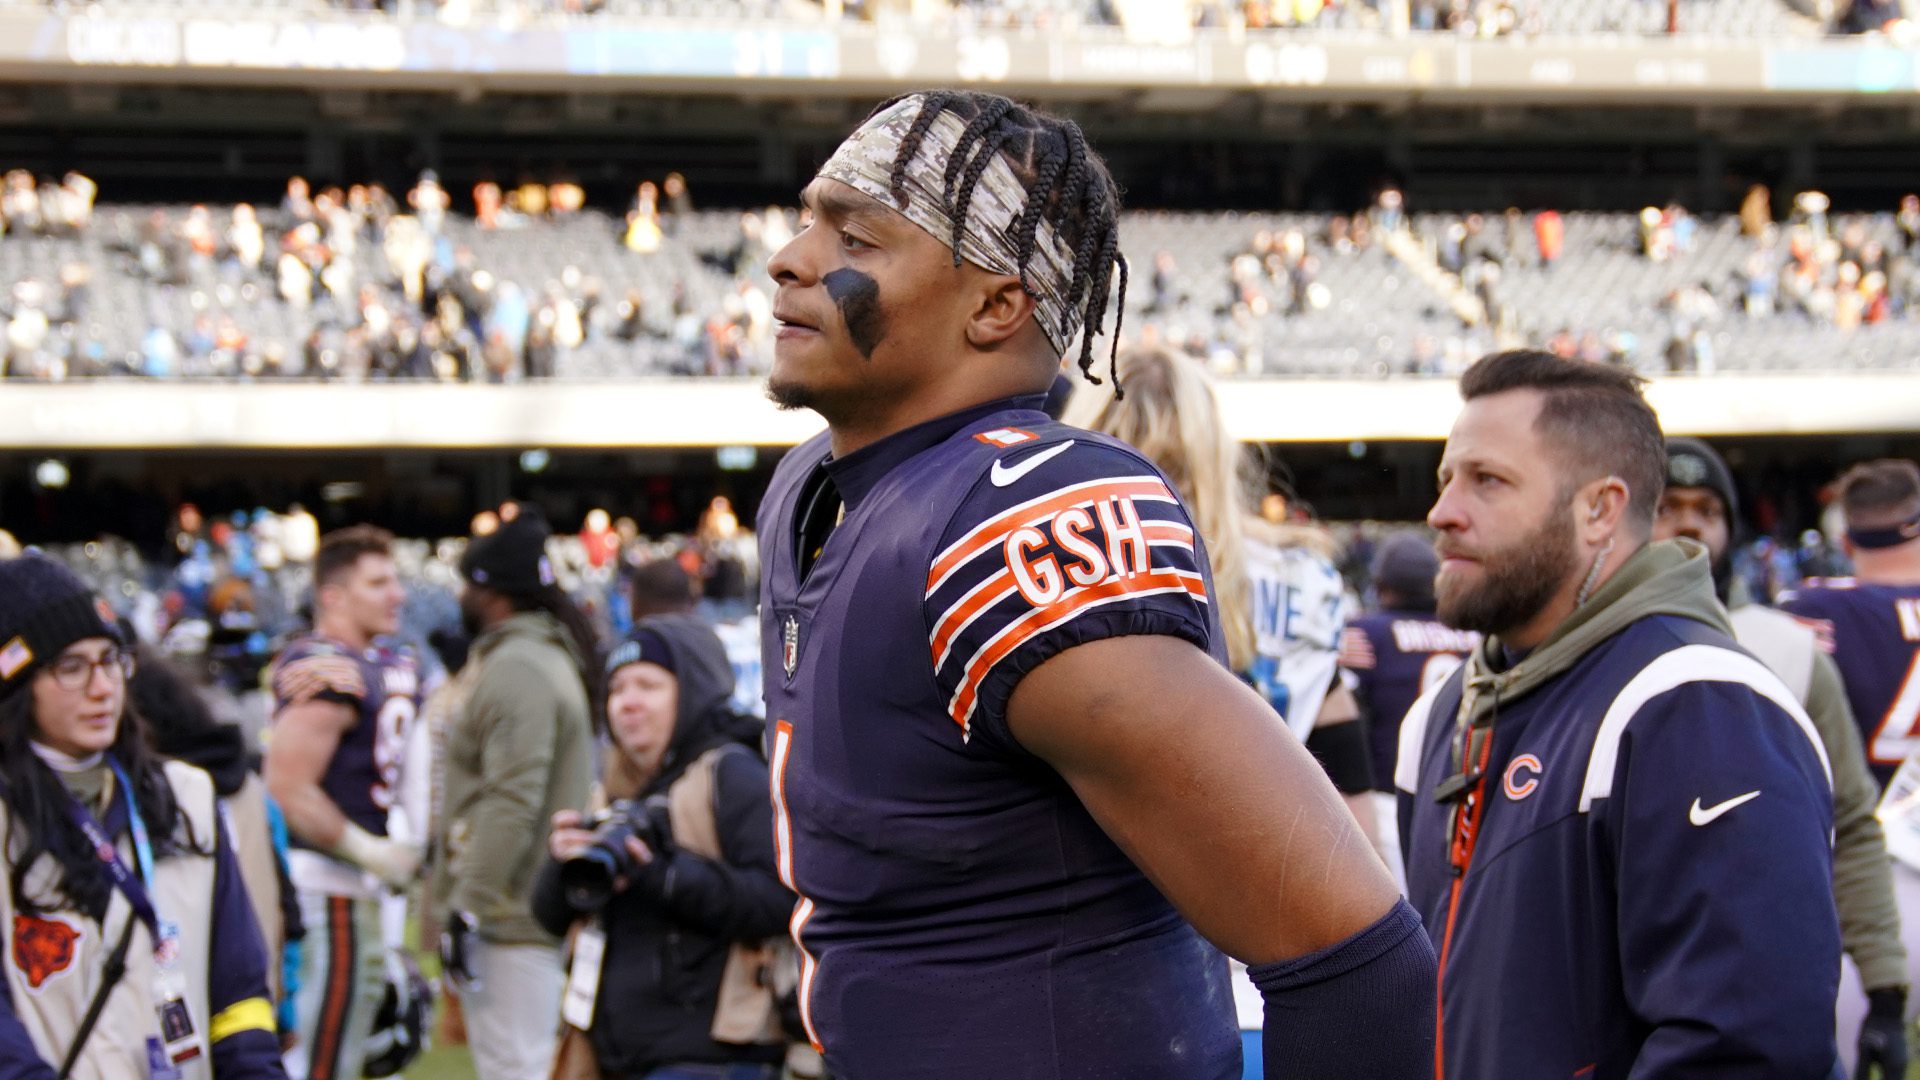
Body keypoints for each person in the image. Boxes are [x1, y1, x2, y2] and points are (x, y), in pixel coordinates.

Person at [758, 89, 1433, 1079]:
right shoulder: (814, 486)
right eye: (808, 215)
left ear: (996, 305)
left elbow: (1358, 958)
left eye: (856, 237)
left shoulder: (1020, 520)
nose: (792, 255)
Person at [1397, 350, 1840, 1078]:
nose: (1442, 511)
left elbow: (1746, 1047)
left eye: (1487, 480)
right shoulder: (1447, 709)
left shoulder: (1696, 703)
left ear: (1599, 509)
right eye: (1447, 479)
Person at [1655, 438, 1909, 1077]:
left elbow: (1850, 821)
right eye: (1668, 505)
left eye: (1707, 508)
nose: (1688, 522)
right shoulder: (1571, 647)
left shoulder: (1790, 643)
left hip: (1769, 988)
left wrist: (1883, 985)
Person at [0, 554, 285, 1078]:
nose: (103, 686)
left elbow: (238, 991)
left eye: (111, 659)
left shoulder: (186, 797)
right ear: (17, 686)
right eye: (71, 666)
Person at [532, 616, 793, 1079]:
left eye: (648, 686)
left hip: (708, 1057)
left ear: (691, 690)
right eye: (617, 689)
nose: (627, 704)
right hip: (618, 1054)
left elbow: (782, 900)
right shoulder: (616, 790)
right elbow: (549, 917)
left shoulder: (731, 774)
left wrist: (660, 874)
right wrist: (563, 865)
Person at [431, 507, 595, 1080]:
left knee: (517, 1068)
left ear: (488, 591)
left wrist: (469, 903)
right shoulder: (535, 656)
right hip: (521, 906)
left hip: (510, 913)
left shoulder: (519, 667)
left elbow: (512, 799)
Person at [262, 526, 422, 1080]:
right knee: (320, 1063)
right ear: (332, 596)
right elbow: (285, 785)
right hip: (323, 891)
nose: (396, 594)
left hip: (344, 891)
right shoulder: (329, 668)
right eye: (377, 583)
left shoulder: (369, 663)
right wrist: (369, 851)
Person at [1338, 531, 1476, 888]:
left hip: (1389, 800)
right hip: (1466, 797)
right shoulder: (1477, 633)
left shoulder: (1365, 633)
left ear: (1382, 583)